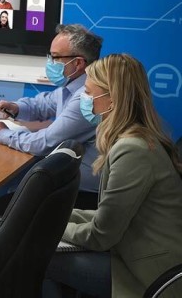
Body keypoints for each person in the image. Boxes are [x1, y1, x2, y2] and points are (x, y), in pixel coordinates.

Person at [44, 53, 182, 298]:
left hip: (147, 273)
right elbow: (108, 216)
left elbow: (101, 236)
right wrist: (58, 214)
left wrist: (51, 224)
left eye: (88, 93)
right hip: (130, 252)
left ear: (112, 99)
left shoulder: (133, 150)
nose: (84, 100)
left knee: (35, 254)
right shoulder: (137, 139)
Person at [0, 24, 104, 198]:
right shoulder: (72, 85)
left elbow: (45, 143)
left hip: (81, 189)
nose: (50, 63)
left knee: (6, 202)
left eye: (55, 57)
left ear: (78, 63)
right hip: (68, 178)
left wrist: (2, 134)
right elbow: (43, 105)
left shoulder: (88, 96)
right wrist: (16, 108)